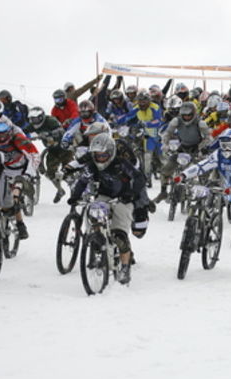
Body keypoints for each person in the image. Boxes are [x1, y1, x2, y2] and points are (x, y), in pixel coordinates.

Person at [174, 128, 231, 277]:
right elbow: (202, 166)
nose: (226, 149)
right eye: (223, 146)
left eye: (229, 146)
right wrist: (184, 175)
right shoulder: (219, 155)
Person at [67, 133, 148, 284]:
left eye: (104, 155)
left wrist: (131, 193)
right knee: (94, 217)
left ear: (111, 153)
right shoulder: (92, 166)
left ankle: (125, 266)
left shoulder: (122, 163)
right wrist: (75, 196)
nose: (100, 159)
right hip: (104, 196)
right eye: (97, 155)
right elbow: (82, 181)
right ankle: (98, 242)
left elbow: (139, 178)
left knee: (119, 235)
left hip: (124, 198)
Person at [0, 121, 40, 239]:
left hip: (20, 172)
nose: (0, 138)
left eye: (2, 135)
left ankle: (20, 224)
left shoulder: (19, 139)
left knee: (14, 197)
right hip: (2, 170)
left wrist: (28, 174)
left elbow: (35, 155)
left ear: (9, 133)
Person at [156, 102, 212, 202]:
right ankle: (163, 191)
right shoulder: (176, 121)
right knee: (166, 169)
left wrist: (202, 148)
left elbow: (208, 138)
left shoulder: (200, 123)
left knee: (201, 171)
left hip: (196, 148)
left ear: (194, 113)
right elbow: (168, 133)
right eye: (184, 115)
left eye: (189, 115)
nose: (186, 117)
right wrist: (165, 143)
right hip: (182, 147)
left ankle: (203, 193)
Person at [25, 106, 69, 203]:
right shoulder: (32, 125)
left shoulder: (51, 120)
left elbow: (61, 130)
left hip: (65, 148)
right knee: (50, 173)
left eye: (36, 118)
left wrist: (48, 134)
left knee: (69, 170)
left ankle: (75, 188)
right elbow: (23, 131)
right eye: (32, 119)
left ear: (41, 117)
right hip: (52, 150)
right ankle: (60, 190)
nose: (34, 121)